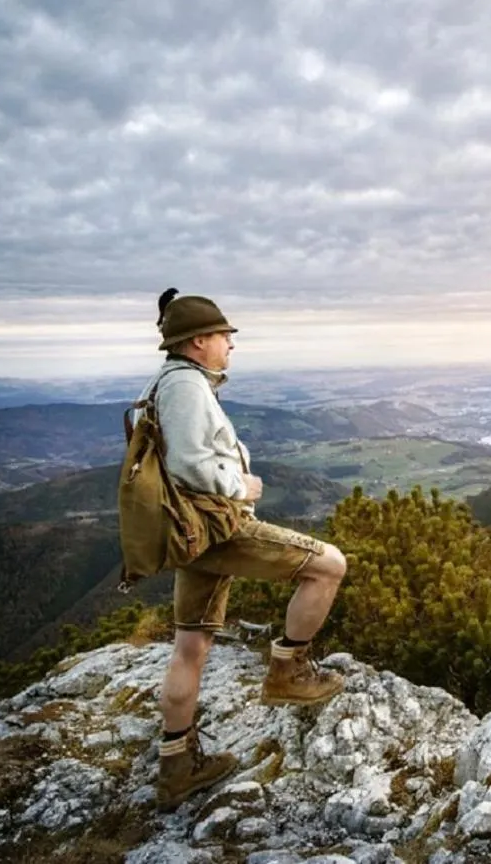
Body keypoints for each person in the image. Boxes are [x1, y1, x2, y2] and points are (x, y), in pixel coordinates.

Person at [134, 288, 349, 811]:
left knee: (191, 647)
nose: (231, 344)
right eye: (224, 336)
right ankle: (288, 671)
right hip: (215, 529)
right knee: (328, 566)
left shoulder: (167, 382)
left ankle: (176, 767)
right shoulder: (185, 386)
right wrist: (240, 485)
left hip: (189, 535)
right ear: (198, 341)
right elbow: (189, 463)